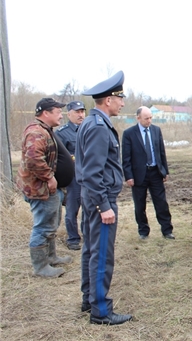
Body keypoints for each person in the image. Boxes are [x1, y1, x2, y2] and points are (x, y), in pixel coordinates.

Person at [75, 71, 132, 325]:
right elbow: (92, 172)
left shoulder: (91, 122)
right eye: (120, 98)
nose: (122, 103)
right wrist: (104, 206)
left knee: (90, 249)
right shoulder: (99, 127)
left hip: (91, 198)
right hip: (101, 200)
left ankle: (89, 299)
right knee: (101, 255)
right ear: (108, 100)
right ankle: (101, 310)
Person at [16, 98, 74, 278]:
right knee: (43, 227)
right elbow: (33, 159)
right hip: (39, 190)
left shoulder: (44, 130)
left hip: (47, 190)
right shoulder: (36, 132)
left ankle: (51, 257)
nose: (61, 115)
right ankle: (41, 267)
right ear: (46, 113)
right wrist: (49, 177)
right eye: (58, 112)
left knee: (51, 224)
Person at [122, 106, 174, 240]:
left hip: (155, 172)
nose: (149, 121)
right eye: (146, 118)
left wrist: (165, 171)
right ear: (138, 118)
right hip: (139, 175)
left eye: (151, 118)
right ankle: (143, 231)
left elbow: (161, 152)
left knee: (161, 203)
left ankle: (167, 230)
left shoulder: (156, 130)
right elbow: (126, 157)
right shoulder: (129, 134)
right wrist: (128, 176)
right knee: (140, 205)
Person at [56, 100, 86, 250]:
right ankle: (73, 238)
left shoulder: (89, 129)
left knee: (89, 208)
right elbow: (61, 157)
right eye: (77, 112)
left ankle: (88, 236)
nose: (81, 115)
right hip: (74, 177)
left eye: (82, 111)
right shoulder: (62, 133)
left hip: (89, 176)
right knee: (72, 209)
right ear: (69, 114)